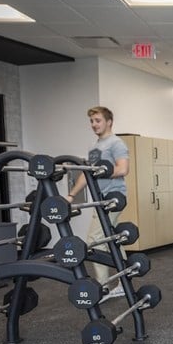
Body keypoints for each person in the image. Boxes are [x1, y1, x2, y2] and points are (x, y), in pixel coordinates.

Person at [64, 106, 130, 300]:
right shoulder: (94, 147)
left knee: (95, 240)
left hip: (113, 197)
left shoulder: (116, 143)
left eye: (98, 120)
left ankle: (103, 286)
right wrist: (71, 195)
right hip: (100, 199)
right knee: (112, 240)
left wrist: (103, 171)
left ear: (109, 121)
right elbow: (87, 175)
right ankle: (125, 279)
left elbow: (123, 169)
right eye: (92, 121)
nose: (94, 125)